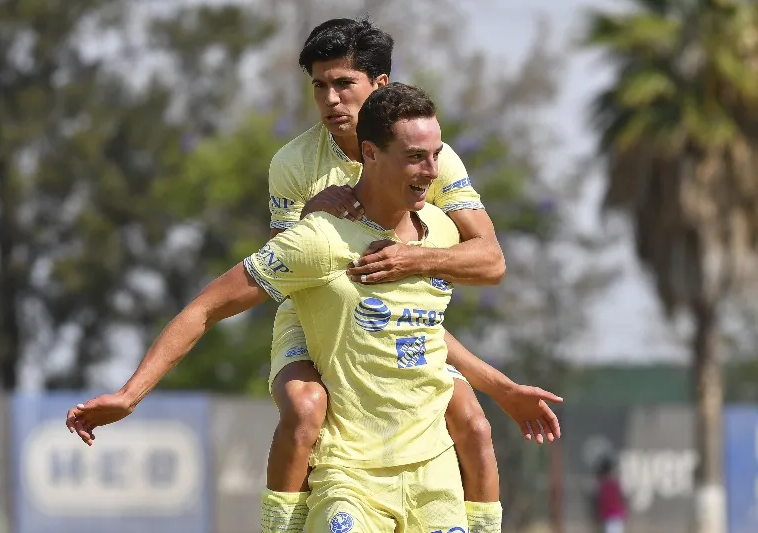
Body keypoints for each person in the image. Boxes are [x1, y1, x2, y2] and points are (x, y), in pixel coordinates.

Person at [66, 83, 544, 532]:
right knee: (303, 408)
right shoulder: (317, 241)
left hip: (433, 472)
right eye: (416, 158)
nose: (432, 172)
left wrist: (502, 388)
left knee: (475, 427)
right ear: (371, 154)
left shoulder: (442, 233)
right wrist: (129, 395)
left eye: (436, 156)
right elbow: (204, 309)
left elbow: (430, 332)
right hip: (351, 479)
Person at [263, 17, 563, 533]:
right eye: (320, 85)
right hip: (318, 315)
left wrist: (414, 260)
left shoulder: (428, 156)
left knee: (473, 423)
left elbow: (490, 258)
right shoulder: (293, 163)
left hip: (404, 315)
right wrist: (314, 210)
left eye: (344, 83)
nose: (331, 99)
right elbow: (287, 266)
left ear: (379, 85)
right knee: (307, 408)